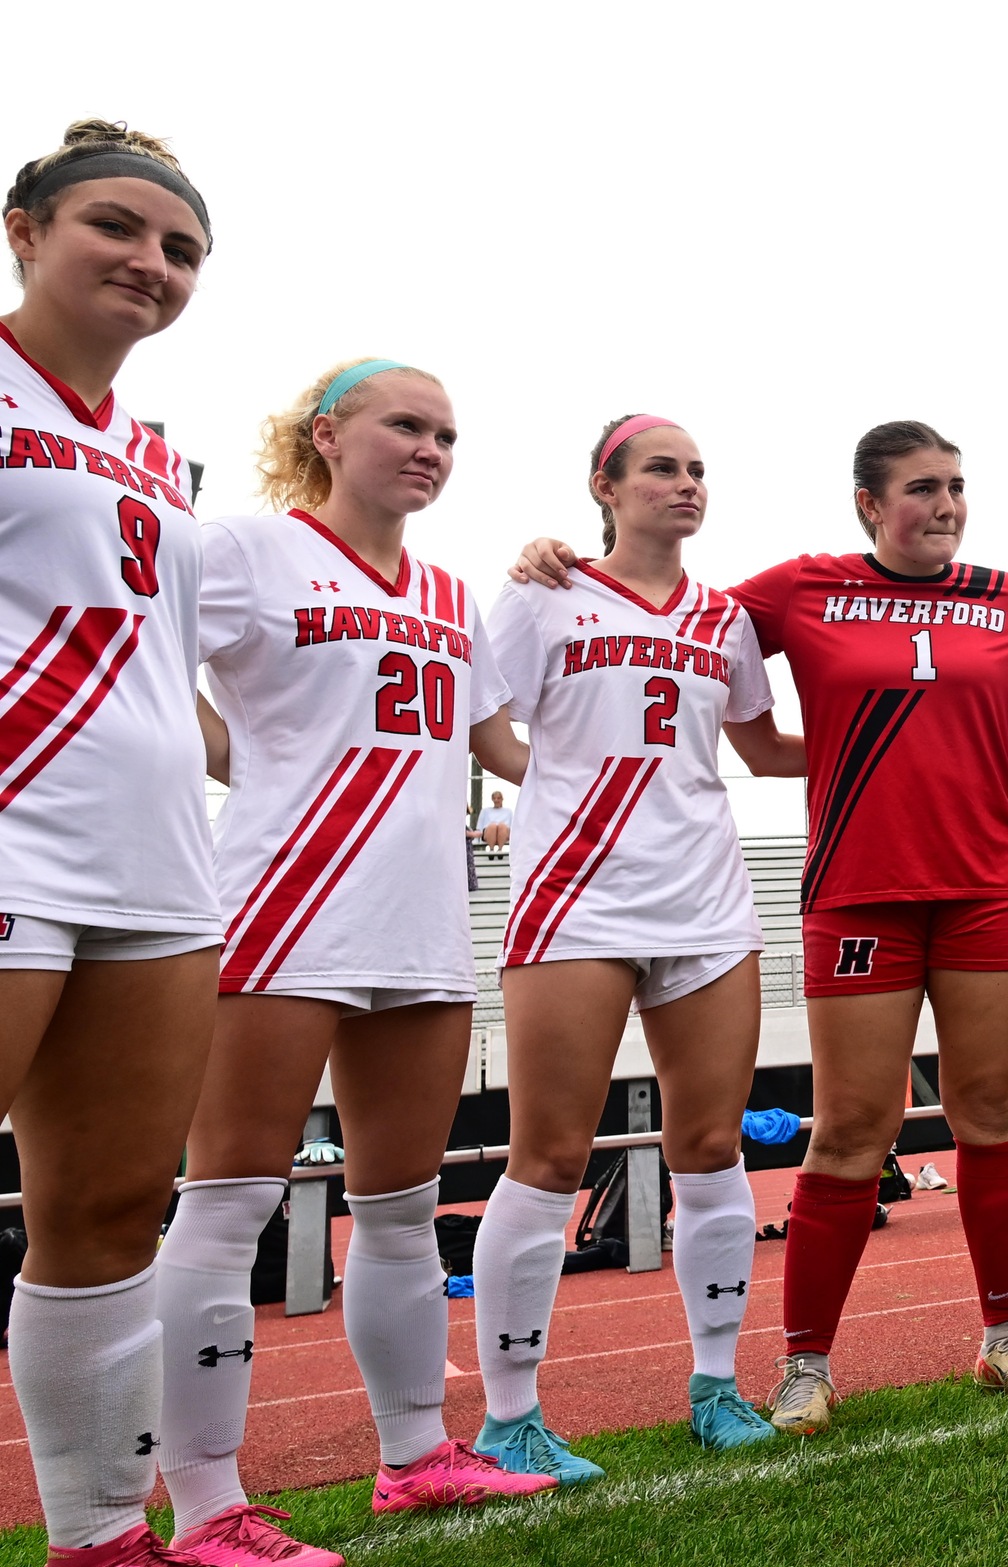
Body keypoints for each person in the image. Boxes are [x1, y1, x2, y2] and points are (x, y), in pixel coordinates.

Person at [508, 422, 1008, 1434]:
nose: (945, 506)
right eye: (922, 489)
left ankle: (1004, 1336)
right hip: (857, 888)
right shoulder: (799, 588)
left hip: (986, 886)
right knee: (851, 1125)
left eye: (957, 488)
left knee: (989, 1110)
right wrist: (557, 563)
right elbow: (670, 611)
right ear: (867, 504)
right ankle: (806, 1364)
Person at [157, 358, 550, 1566]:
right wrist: (249, 768)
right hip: (283, 901)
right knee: (227, 1203)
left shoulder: (442, 586)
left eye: (445, 432)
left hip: (421, 919)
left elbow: (506, 745)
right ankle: (208, 1503)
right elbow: (150, 665)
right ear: (328, 433)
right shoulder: (244, 549)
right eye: (403, 425)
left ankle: (415, 1456)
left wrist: (577, 609)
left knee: (399, 1206)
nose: (429, 448)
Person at [470, 415, 806, 1482]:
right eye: (661, 467)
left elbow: (758, 744)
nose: (686, 483)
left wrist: (913, 733)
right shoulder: (541, 590)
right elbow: (484, 723)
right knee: (550, 1155)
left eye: (698, 469)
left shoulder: (725, 616)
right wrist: (566, 797)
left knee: (709, 1145)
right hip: (577, 898)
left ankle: (716, 1386)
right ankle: (511, 1416)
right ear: (603, 486)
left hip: (706, 900)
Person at [0, 119, 223, 1567]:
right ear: (24, 230)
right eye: (117, 229)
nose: (150, 263)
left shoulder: (157, 452)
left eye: (181, 249)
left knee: (109, 1204)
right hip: (15, 830)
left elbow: (169, 660)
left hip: (153, 856)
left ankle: (99, 1534)